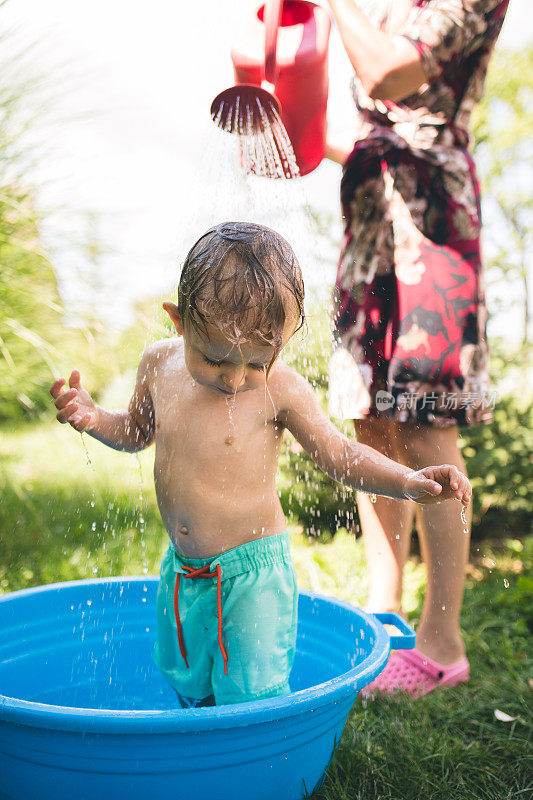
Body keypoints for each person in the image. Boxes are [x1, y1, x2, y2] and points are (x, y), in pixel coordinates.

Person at [50, 222, 471, 707]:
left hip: (253, 574)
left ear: (288, 338)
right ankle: (198, 754)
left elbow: (340, 453)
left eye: (256, 363)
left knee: (252, 691)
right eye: (214, 359)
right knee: (188, 678)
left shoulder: (282, 388)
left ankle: (255, 768)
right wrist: (94, 417)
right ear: (179, 320)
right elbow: (136, 433)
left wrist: (405, 480)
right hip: (183, 569)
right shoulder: (158, 366)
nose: (234, 379)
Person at [325, 0, 509, 695]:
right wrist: (301, 134)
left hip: (430, 213)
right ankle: (384, 619)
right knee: (371, 419)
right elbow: (370, 127)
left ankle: (441, 644)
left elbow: (387, 74)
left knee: (425, 421)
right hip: (372, 213)